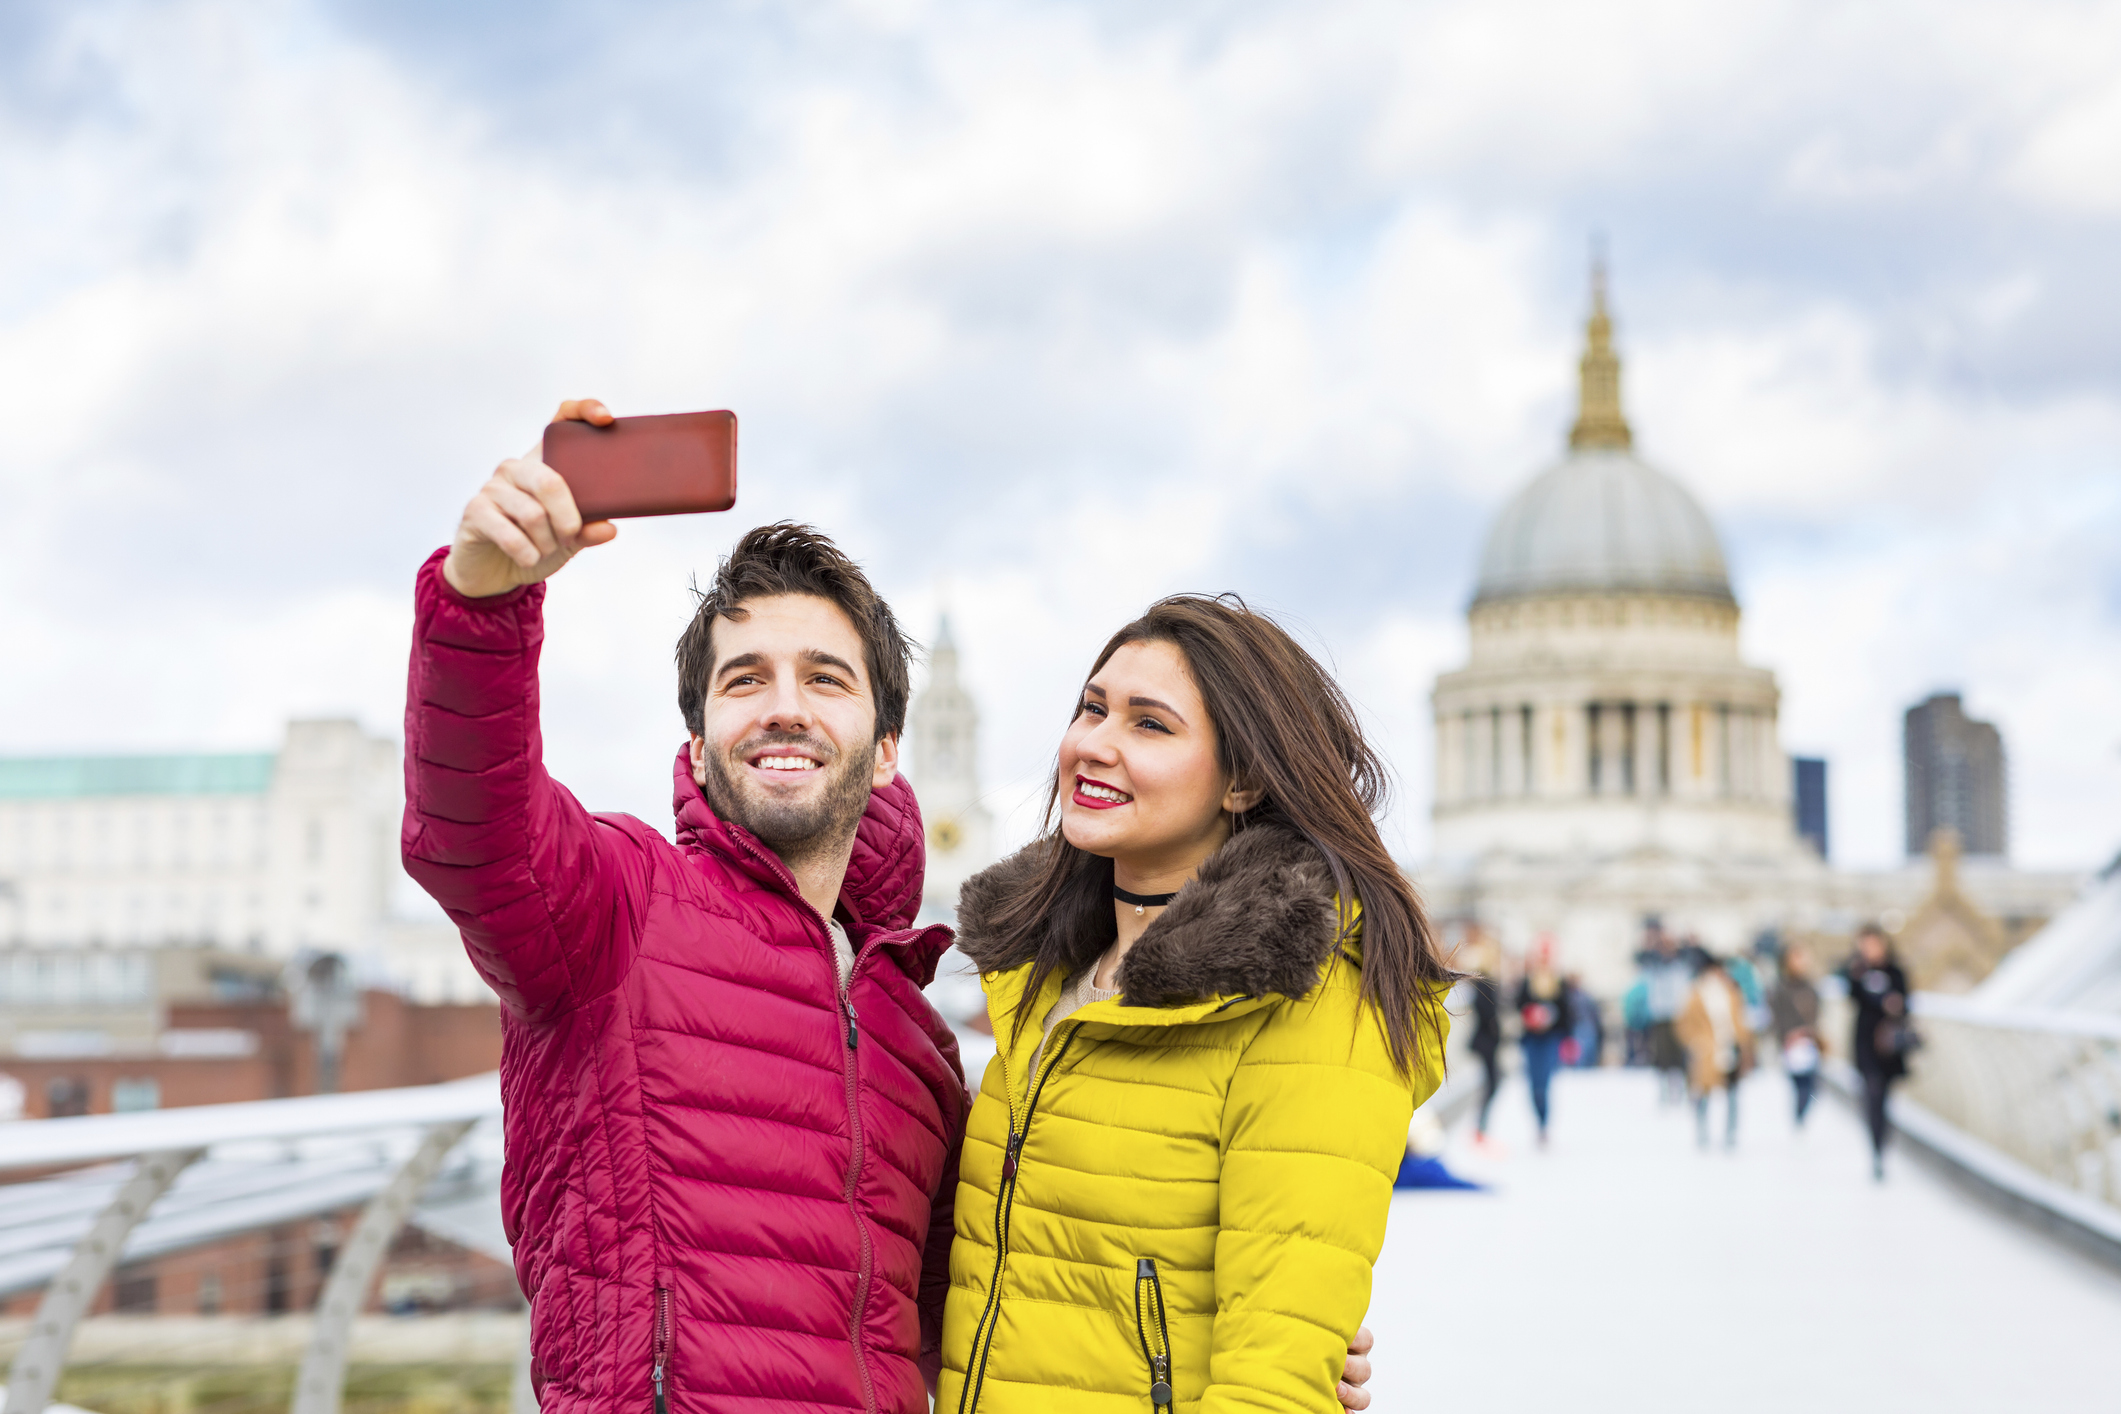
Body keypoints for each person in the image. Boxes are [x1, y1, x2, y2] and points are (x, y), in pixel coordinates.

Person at [403, 403, 1378, 1414]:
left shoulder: (918, 1043)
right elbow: (473, 834)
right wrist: (483, 598)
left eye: (826, 679)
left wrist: (1267, 1330)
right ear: (696, 745)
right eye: (745, 681)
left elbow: (1002, 1295)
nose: (785, 706)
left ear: (885, 749)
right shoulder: (617, 913)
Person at [940, 594, 1453, 1414]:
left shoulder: (1312, 1005)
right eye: (1093, 708)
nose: (1093, 745)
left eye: (1150, 725)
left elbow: (1271, 1387)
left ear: (1243, 779)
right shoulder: (1042, 986)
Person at [1844, 924, 1913, 1180]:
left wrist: (1894, 1003)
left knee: (1885, 1099)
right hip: (1866, 1044)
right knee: (1871, 1096)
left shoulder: (1895, 971)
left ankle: (1883, 1142)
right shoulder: (1858, 970)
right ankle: (1877, 1149)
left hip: (1890, 1046)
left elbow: (1907, 1001)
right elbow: (1852, 996)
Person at [1676, 956, 1752, 1149]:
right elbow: (1683, 1024)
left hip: (1730, 1048)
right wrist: (1696, 1042)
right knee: (1703, 1094)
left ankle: (1730, 1134)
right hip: (1707, 1052)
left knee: (1733, 1095)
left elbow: (1741, 1021)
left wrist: (1745, 1046)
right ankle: (1703, 1133)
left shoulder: (1732, 993)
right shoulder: (1696, 995)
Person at [1516, 942, 1573, 1145]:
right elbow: (1518, 1006)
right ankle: (1539, 1122)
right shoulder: (1527, 981)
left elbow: (1567, 1012)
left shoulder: (1559, 982)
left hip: (1550, 1039)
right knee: (1534, 1084)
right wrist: (1532, 1016)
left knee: (1545, 1083)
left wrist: (1551, 1019)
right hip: (1532, 1039)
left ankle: (1544, 1124)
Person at [1636, 921, 1691, 1103]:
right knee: (1661, 1056)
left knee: (1680, 1056)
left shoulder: (1682, 964)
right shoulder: (1654, 965)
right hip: (1660, 1016)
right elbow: (1639, 958)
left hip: (1679, 1015)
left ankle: (1682, 1089)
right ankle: (1664, 1092)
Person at [1770, 945, 1823, 1128]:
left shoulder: (1810, 986)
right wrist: (1789, 1034)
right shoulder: (1780, 987)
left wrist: (1807, 1031)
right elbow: (1776, 1015)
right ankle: (1798, 1119)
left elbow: (1817, 1012)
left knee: (1812, 1086)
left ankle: (1800, 1118)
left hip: (1808, 1041)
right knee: (1800, 1085)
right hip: (1790, 1043)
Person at [1468, 956, 1504, 1143]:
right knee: (1491, 1084)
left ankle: (1481, 1127)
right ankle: (1480, 1127)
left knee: (1491, 1083)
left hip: (1486, 1042)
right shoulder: (1485, 987)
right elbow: (1488, 1014)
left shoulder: (1481, 987)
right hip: (1486, 1043)